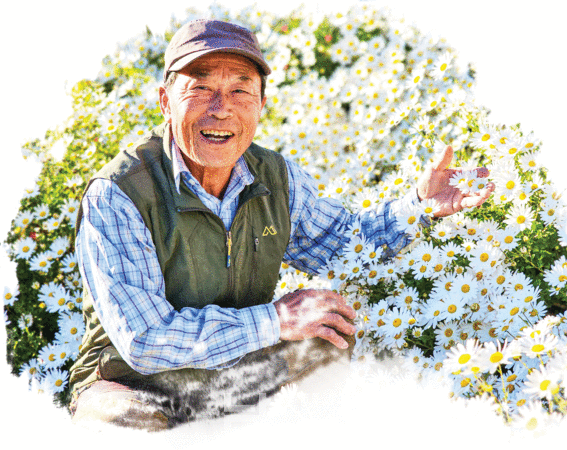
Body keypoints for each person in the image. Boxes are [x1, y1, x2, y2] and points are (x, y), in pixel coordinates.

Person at [68, 19, 494, 431]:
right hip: (129, 382)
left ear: (261, 105)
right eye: (201, 89)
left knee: (328, 338)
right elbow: (145, 340)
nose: (222, 110)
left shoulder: (274, 177)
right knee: (121, 421)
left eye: (240, 91)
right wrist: (275, 320)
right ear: (165, 100)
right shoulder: (120, 193)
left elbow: (347, 244)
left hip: (230, 374)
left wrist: (419, 205)